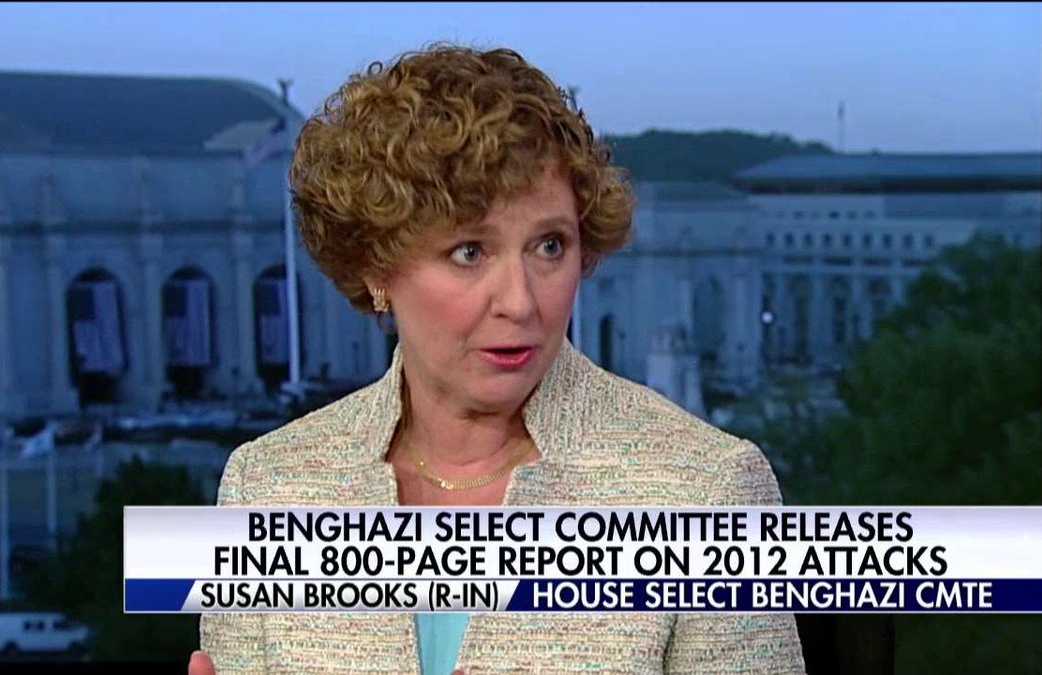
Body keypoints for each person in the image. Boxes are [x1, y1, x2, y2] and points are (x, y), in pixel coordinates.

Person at [193, 43, 805, 674]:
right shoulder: (266, 486)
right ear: (375, 268)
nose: (520, 301)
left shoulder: (709, 491)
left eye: (549, 246)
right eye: (469, 252)